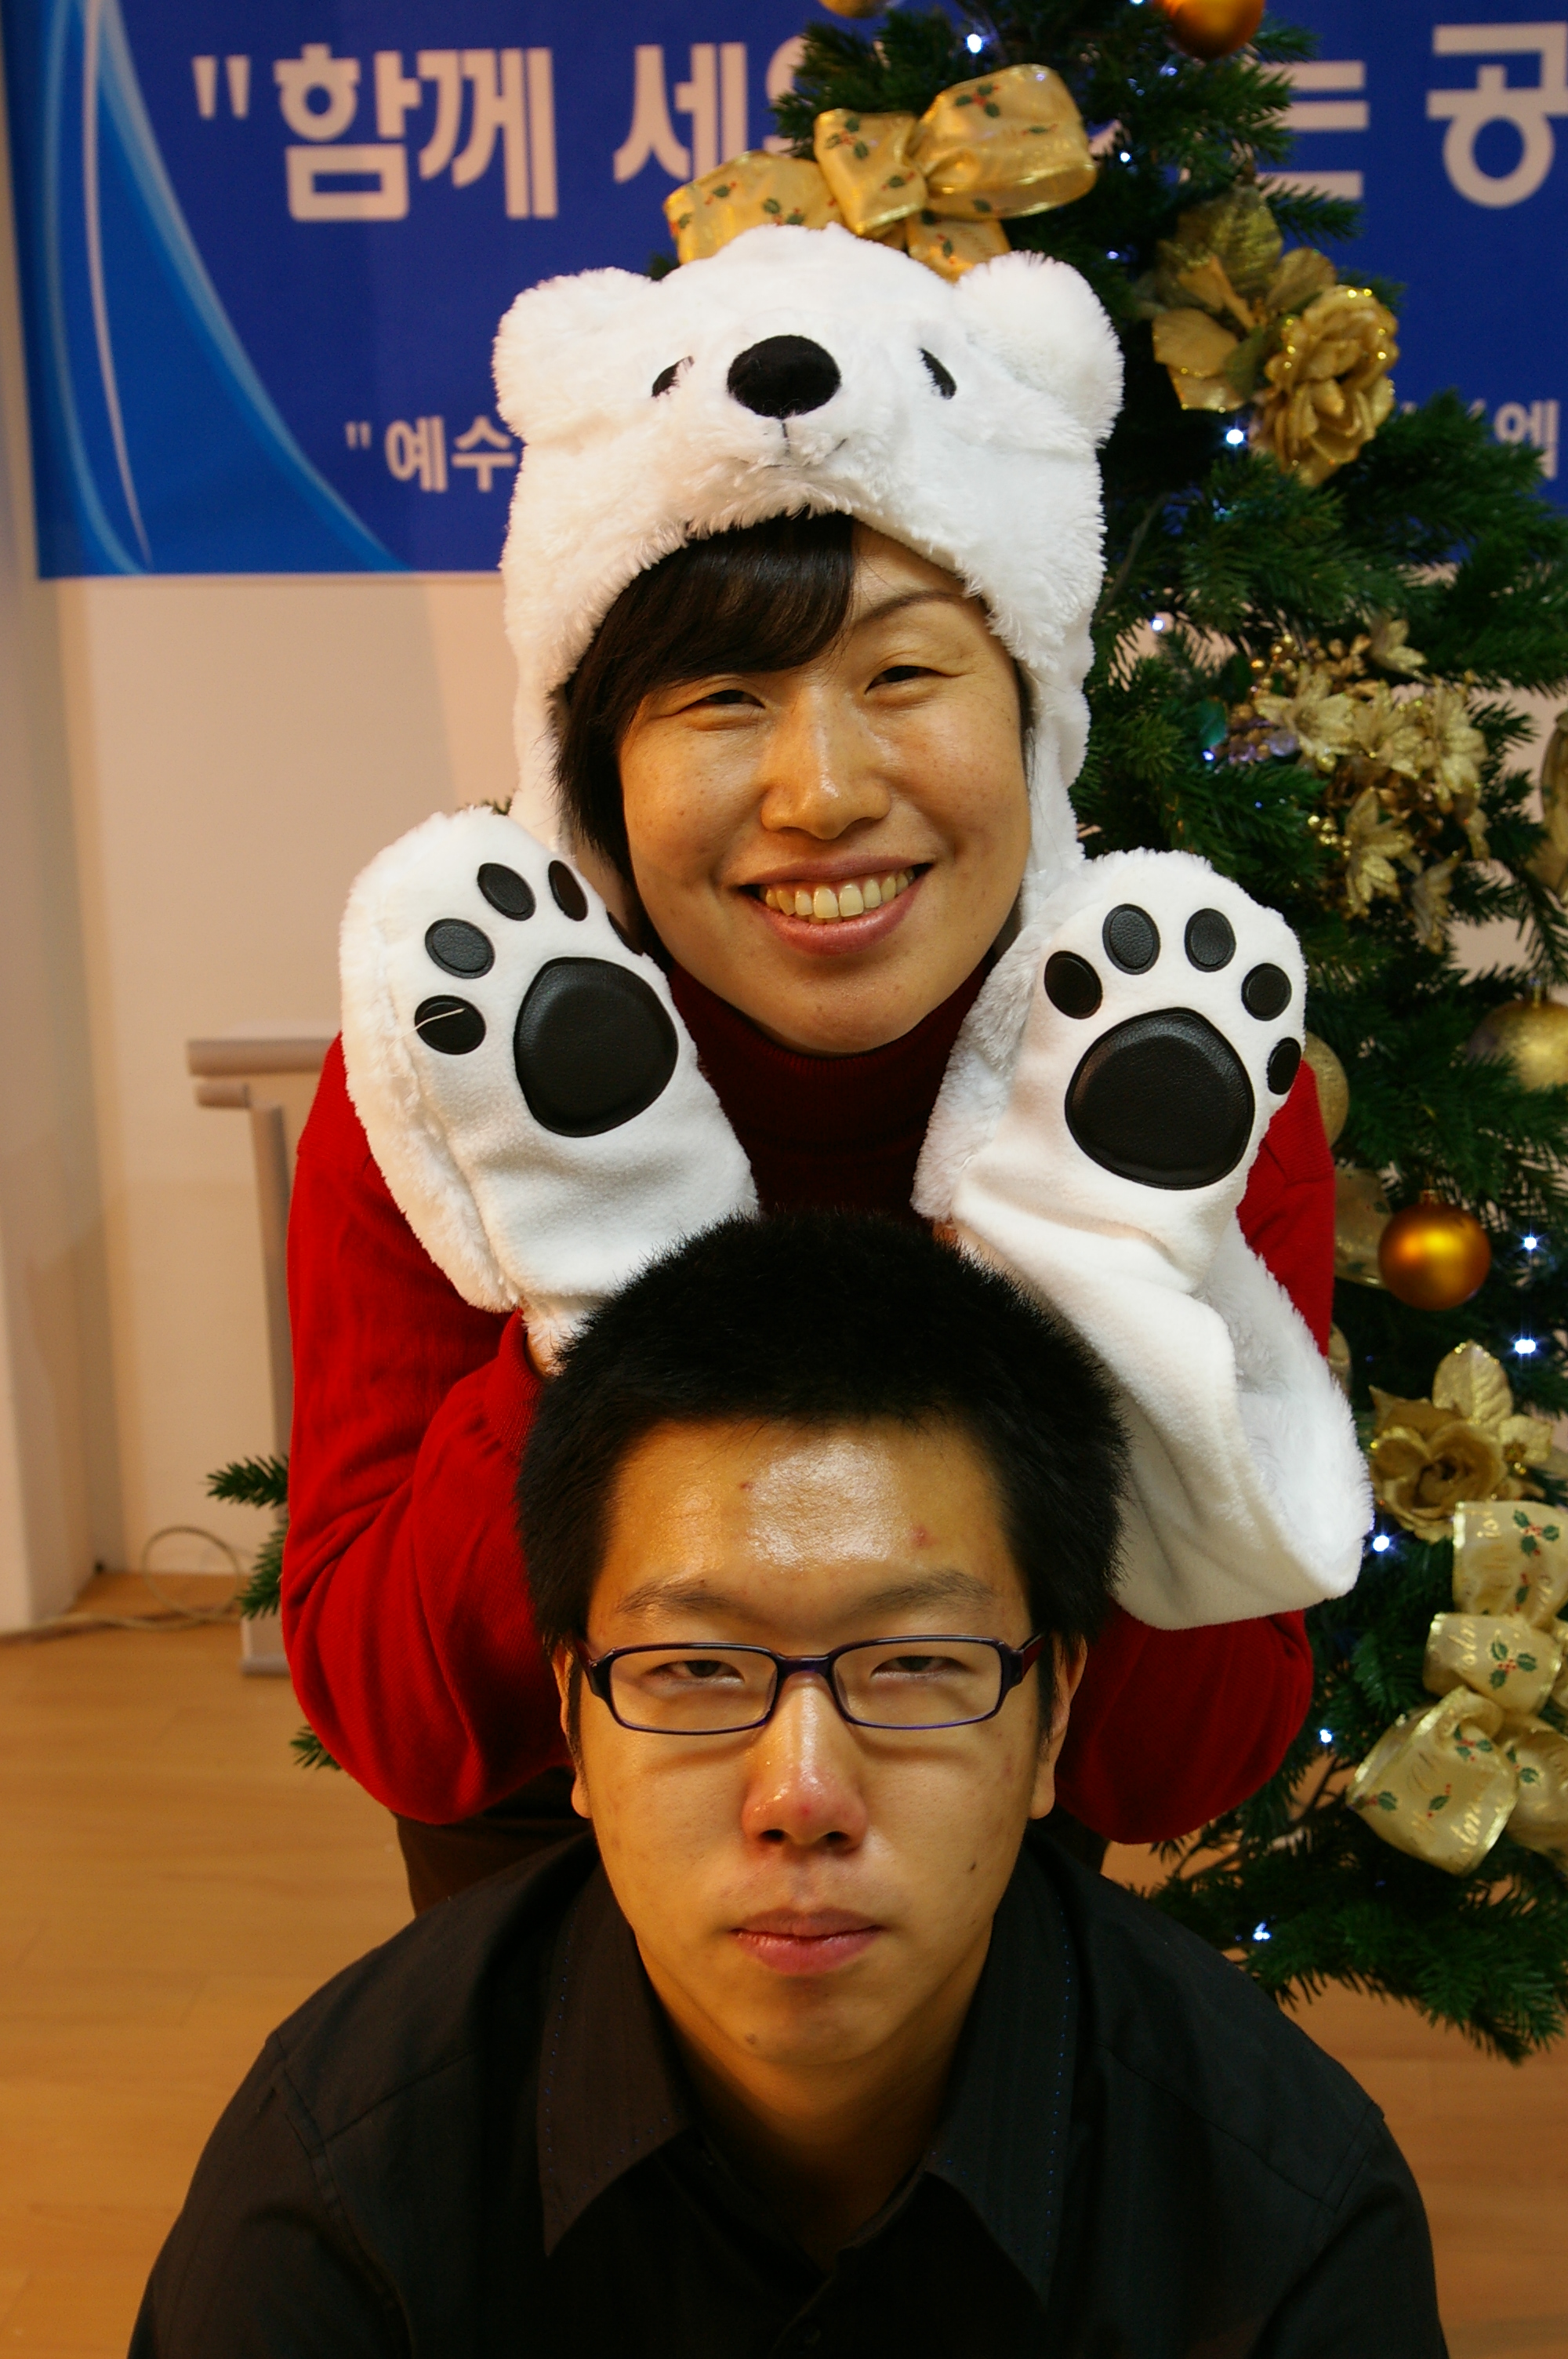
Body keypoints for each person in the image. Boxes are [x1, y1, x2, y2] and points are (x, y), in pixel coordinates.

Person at [282, 227, 1367, 1912]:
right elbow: (403, 1721)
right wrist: (601, 1283)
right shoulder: (455, 1061)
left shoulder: (1166, 1073)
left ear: (1032, 720)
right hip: (555, 1895)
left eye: (906, 674)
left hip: (987, 1896)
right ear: (592, 773)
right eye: (723, 697)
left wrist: (1090, 1286)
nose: (823, 793)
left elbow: (1173, 1771)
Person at [134, 1216, 1438, 2357]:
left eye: (917, 1665)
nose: (802, 1795)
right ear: (575, 1723)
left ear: (1052, 1718)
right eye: (696, 1668)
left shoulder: (1285, 2216)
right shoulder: (339, 2199)